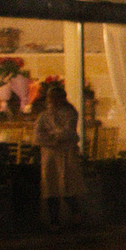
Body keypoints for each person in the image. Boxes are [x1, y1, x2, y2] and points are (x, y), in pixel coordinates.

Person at [34, 79, 85, 230]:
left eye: (57, 97)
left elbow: (68, 132)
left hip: (66, 154)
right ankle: (54, 221)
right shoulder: (44, 116)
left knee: (68, 187)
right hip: (50, 155)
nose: (54, 101)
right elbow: (37, 136)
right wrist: (52, 140)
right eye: (52, 98)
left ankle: (76, 215)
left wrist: (54, 136)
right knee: (51, 189)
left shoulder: (69, 113)